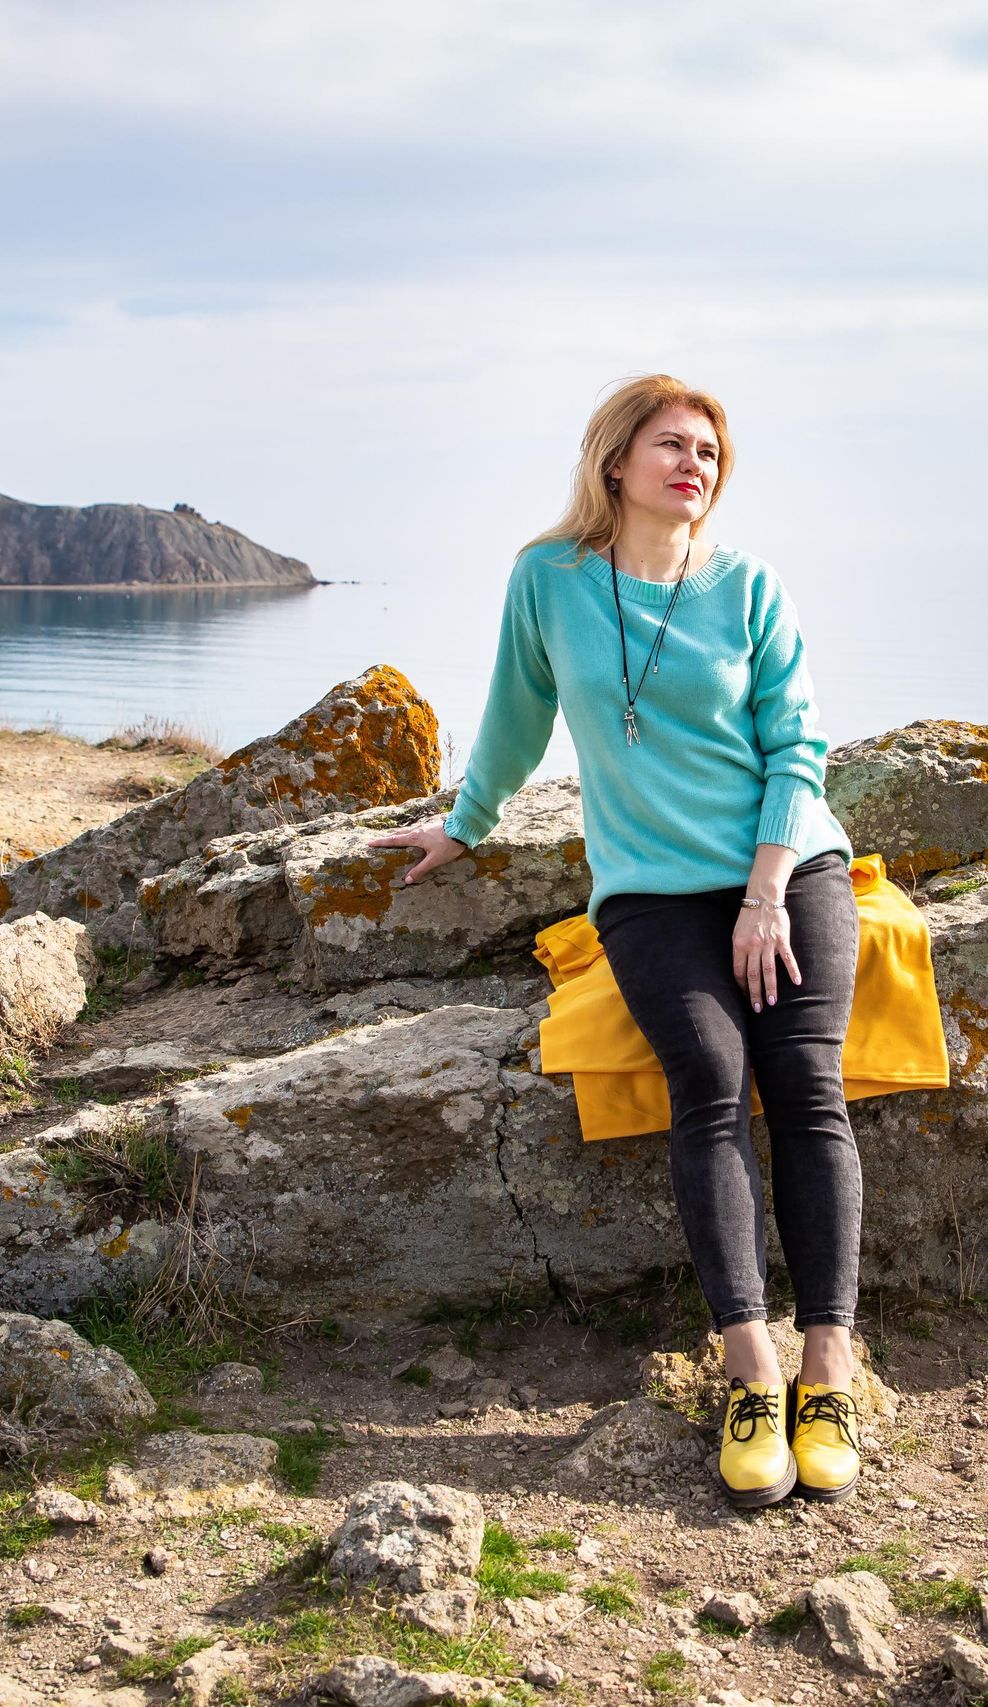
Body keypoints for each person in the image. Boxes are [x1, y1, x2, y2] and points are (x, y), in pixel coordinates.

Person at [370, 375, 864, 1508]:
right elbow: (515, 711)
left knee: (804, 1086)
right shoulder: (547, 578)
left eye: (709, 452)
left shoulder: (747, 586)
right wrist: (465, 821)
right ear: (614, 462)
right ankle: (748, 1373)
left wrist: (765, 892)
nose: (694, 464)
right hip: (648, 891)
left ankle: (828, 1370)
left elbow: (800, 745)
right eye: (671, 445)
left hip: (785, 869)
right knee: (706, 1076)